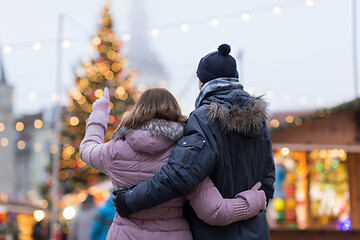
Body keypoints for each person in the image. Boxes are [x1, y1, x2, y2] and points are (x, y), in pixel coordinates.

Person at [112, 44, 276, 240]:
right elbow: (267, 183)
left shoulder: (204, 119)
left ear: (201, 82)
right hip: (256, 233)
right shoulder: (259, 121)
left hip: (214, 234)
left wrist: (130, 200)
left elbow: (180, 175)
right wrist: (249, 205)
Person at [79, 87, 266, 239]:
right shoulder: (186, 156)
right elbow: (215, 211)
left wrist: (100, 112)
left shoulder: (114, 151)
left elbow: (87, 149)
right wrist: (254, 201)